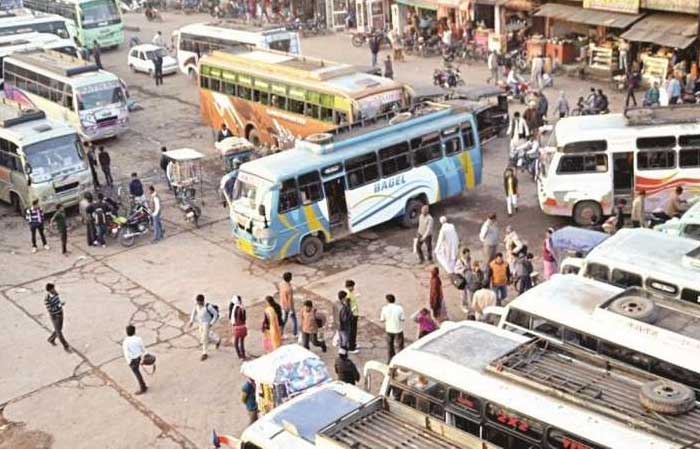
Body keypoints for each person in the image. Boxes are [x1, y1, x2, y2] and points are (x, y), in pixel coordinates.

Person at [188, 294, 221, 361]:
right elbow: (193, 313)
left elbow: (215, 314)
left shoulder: (208, 307)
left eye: (199, 302)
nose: (198, 303)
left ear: (202, 301)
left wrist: (211, 323)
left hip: (207, 324)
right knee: (204, 336)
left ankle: (204, 353)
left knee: (204, 338)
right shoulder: (197, 306)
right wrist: (191, 321)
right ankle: (217, 341)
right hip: (200, 323)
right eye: (197, 302)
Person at [45, 283, 71, 352]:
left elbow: (57, 301)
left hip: (60, 313)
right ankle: (66, 346)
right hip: (54, 316)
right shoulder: (47, 299)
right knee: (59, 332)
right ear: (50, 290)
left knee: (59, 329)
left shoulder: (55, 293)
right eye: (53, 289)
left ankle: (51, 339)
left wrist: (59, 305)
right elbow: (50, 309)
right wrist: (59, 305)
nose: (54, 289)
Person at [122, 324, 148, 395]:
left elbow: (126, 353)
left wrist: (129, 362)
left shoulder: (125, 342)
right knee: (138, 372)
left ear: (127, 332)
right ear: (134, 331)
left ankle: (143, 387)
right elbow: (143, 349)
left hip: (132, 360)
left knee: (137, 374)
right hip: (138, 358)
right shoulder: (138, 339)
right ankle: (143, 386)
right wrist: (144, 356)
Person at [380, 294, 404, 363]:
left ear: (387, 301)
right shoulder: (399, 308)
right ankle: (400, 361)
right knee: (400, 346)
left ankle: (390, 360)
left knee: (390, 346)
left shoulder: (384, 308)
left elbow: (382, 320)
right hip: (398, 329)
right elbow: (402, 318)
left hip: (389, 329)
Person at [278, 272, 297, 338]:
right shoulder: (289, 289)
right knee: (294, 319)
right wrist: (291, 309)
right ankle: (295, 333)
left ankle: (281, 333)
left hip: (282, 304)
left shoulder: (281, 284)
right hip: (288, 306)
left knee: (284, 319)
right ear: (290, 279)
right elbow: (290, 300)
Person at [228, 295, 247, 359]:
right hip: (243, 327)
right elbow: (244, 318)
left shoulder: (235, 309)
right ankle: (243, 355)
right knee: (242, 342)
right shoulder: (243, 308)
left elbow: (233, 319)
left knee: (236, 342)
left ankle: (239, 355)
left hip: (237, 328)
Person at [344, 280, 359, 353]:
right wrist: (352, 312)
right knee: (352, 331)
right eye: (352, 286)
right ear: (348, 287)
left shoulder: (350, 293)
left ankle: (353, 344)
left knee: (353, 330)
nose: (353, 288)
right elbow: (347, 306)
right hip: (352, 315)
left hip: (354, 313)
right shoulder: (348, 295)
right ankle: (351, 347)